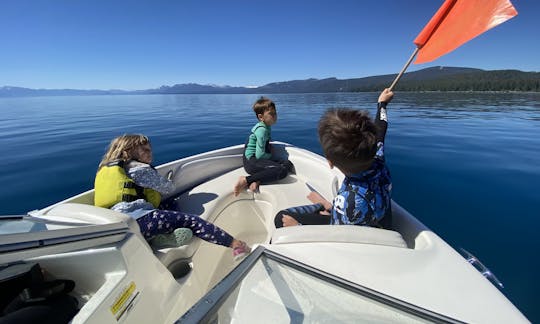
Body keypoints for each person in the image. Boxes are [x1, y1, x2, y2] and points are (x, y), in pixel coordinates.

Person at [94, 134, 250, 260]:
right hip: (140, 221)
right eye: (145, 150)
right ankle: (236, 245)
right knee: (192, 221)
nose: (150, 154)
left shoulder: (105, 170)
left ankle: (158, 236)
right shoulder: (139, 169)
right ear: (128, 151)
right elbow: (168, 188)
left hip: (118, 222)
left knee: (168, 204)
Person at [275, 88, 394, 229]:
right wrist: (382, 105)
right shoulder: (377, 159)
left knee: (281, 217)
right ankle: (327, 206)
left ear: (330, 162)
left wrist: (298, 226)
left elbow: (338, 236)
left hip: (353, 227)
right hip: (374, 218)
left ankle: (326, 206)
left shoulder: (350, 202)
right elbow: (381, 128)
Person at [233, 97, 294, 196]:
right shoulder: (262, 130)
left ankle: (257, 180)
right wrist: (272, 161)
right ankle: (245, 180)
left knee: (287, 164)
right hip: (252, 162)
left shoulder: (266, 127)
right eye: (271, 114)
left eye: (275, 113)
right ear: (261, 117)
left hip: (257, 160)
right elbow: (260, 155)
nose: (275, 116)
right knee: (281, 171)